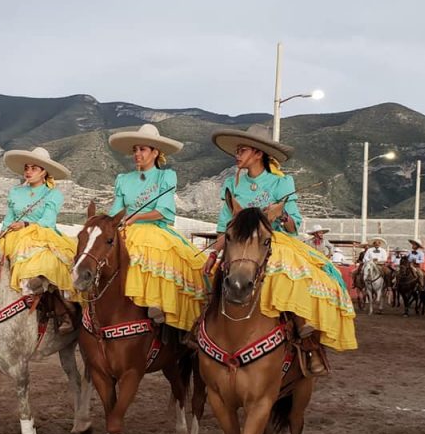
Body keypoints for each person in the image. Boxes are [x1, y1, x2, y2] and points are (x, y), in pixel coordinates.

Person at [205, 124, 357, 375]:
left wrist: (281, 213)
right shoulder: (232, 186)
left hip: (275, 241)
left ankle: (307, 341)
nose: (237, 154)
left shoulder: (281, 183)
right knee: (214, 275)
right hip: (241, 243)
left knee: (290, 271)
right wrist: (213, 254)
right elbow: (225, 227)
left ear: (257, 153)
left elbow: (293, 225)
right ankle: (202, 331)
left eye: (242, 150)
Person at [106, 124, 208, 333]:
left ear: (155, 153)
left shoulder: (165, 177)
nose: (137, 154)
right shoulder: (123, 180)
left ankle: (157, 305)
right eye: (135, 150)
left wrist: (137, 217)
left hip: (154, 229)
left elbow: (165, 211)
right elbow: (115, 212)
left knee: (147, 253)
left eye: (142, 149)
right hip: (127, 228)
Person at [0, 147, 78, 333]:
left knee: (51, 262)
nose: (28, 171)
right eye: (27, 167)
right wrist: (1, 236)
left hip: (42, 233)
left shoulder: (53, 194)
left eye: (34, 168)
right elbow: (9, 219)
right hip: (13, 235)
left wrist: (26, 225)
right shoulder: (15, 192)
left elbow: (48, 221)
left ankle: (63, 312)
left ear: (44, 172)